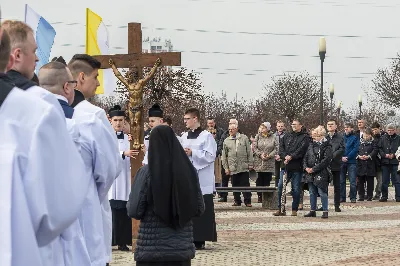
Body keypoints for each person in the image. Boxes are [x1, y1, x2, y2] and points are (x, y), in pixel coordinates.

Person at [0, 29, 89, 266]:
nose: (37, 58)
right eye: (34, 51)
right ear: (12, 57)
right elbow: (63, 200)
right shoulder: (38, 109)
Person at [68, 54, 122, 265]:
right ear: (81, 77)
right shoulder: (93, 116)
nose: (98, 83)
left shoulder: (48, 111)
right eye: (95, 77)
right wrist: (93, 193)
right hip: (88, 207)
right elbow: (109, 168)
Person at [128, 125, 205, 266]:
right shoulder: (189, 172)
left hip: (151, 251)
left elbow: (134, 210)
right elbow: (199, 208)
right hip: (180, 251)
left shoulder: (146, 173)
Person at [181, 108, 217, 250]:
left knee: (203, 208)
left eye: (187, 119)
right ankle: (188, 236)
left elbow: (210, 155)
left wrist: (193, 153)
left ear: (195, 119)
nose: (185, 122)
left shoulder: (206, 136)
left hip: (203, 178)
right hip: (187, 176)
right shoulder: (184, 136)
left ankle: (201, 238)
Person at [108, 107, 136, 252]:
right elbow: (106, 154)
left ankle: (123, 242)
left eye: (121, 120)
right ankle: (110, 240)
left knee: (124, 211)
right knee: (112, 212)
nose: (118, 123)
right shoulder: (105, 136)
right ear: (110, 121)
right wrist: (122, 153)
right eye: (116, 120)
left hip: (124, 179)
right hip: (112, 181)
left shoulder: (128, 138)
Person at [274, 119, 309, 217]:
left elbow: (301, 150)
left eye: (295, 124)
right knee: (280, 186)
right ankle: (281, 208)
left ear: (300, 125)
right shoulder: (287, 136)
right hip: (285, 166)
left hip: (297, 166)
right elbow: (281, 149)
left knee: (296, 189)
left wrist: (291, 156)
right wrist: (285, 156)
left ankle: (294, 209)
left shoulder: (305, 137)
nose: (293, 126)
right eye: (292, 124)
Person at [303, 126, 333, 219]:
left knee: (322, 191)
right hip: (310, 172)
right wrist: (306, 167)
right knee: (312, 192)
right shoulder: (311, 145)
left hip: (321, 172)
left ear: (321, 135)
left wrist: (314, 168)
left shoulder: (327, 145)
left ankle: (325, 210)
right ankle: (312, 210)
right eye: (313, 136)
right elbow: (305, 157)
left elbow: (326, 160)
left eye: (316, 135)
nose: (314, 137)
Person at [222, 123, 254, 207]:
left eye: (232, 129)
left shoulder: (244, 138)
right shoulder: (226, 141)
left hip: (243, 165)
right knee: (234, 184)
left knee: (245, 184)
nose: (230, 131)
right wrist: (226, 168)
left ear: (236, 129)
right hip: (233, 166)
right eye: (229, 129)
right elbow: (224, 156)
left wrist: (250, 163)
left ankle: (248, 201)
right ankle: (237, 200)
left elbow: (249, 152)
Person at [253, 122, 278, 203]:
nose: (262, 129)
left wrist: (269, 155)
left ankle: (266, 197)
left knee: (267, 180)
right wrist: (260, 155)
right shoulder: (258, 136)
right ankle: (259, 196)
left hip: (269, 162)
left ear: (268, 128)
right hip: (259, 161)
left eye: (263, 128)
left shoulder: (274, 137)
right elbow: (255, 147)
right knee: (259, 180)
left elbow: (276, 148)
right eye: (261, 127)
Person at [326, 119, 345, 212]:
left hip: (336, 164)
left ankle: (337, 204)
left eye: (332, 124)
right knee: (324, 186)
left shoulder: (340, 137)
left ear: (336, 126)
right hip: (325, 165)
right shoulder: (324, 137)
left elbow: (342, 148)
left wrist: (333, 155)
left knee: (337, 186)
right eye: (328, 124)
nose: (330, 126)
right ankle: (324, 205)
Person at [340, 123, 360, 203]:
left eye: (347, 127)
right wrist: (341, 157)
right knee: (341, 181)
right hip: (341, 161)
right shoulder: (341, 137)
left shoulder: (355, 138)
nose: (346, 129)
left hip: (351, 162)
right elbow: (339, 148)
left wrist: (347, 157)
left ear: (352, 128)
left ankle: (353, 197)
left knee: (352, 181)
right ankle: (342, 197)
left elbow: (355, 149)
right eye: (345, 127)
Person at [380, 124, 400, 202]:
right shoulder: (383, 138)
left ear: (394, 130)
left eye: (391, 130)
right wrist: (385, 155)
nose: (390, 131)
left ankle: (398, 196)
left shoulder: (398, 138)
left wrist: (394, 155)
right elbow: (380, 149)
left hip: (395, 162)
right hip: (385, 162)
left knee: (397, 181)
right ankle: (384, 196)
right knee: (385, 181)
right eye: (388, 130)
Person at [356, 128, 377, 201]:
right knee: (361, 181)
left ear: (370, 135)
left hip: (370, 164)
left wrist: (369, 156)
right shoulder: (359, 142)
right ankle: (361, 196)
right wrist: (359, 156)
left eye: (367, 136)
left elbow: (375, 150)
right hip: (361, 164)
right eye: (364, 136)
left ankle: (369, 196)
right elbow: (356, 150)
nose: (366, 137)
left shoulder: (374, 142)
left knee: (370, 181)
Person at [371, 122, 383, 200]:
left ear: (379, 129)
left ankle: (378, 193)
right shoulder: (371, 138)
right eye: (373, 130)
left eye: (375, 129)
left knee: (380, 179)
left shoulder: (383, 137)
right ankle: (369, 193)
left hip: (380, 161)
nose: (374, 131)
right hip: (372, 162)